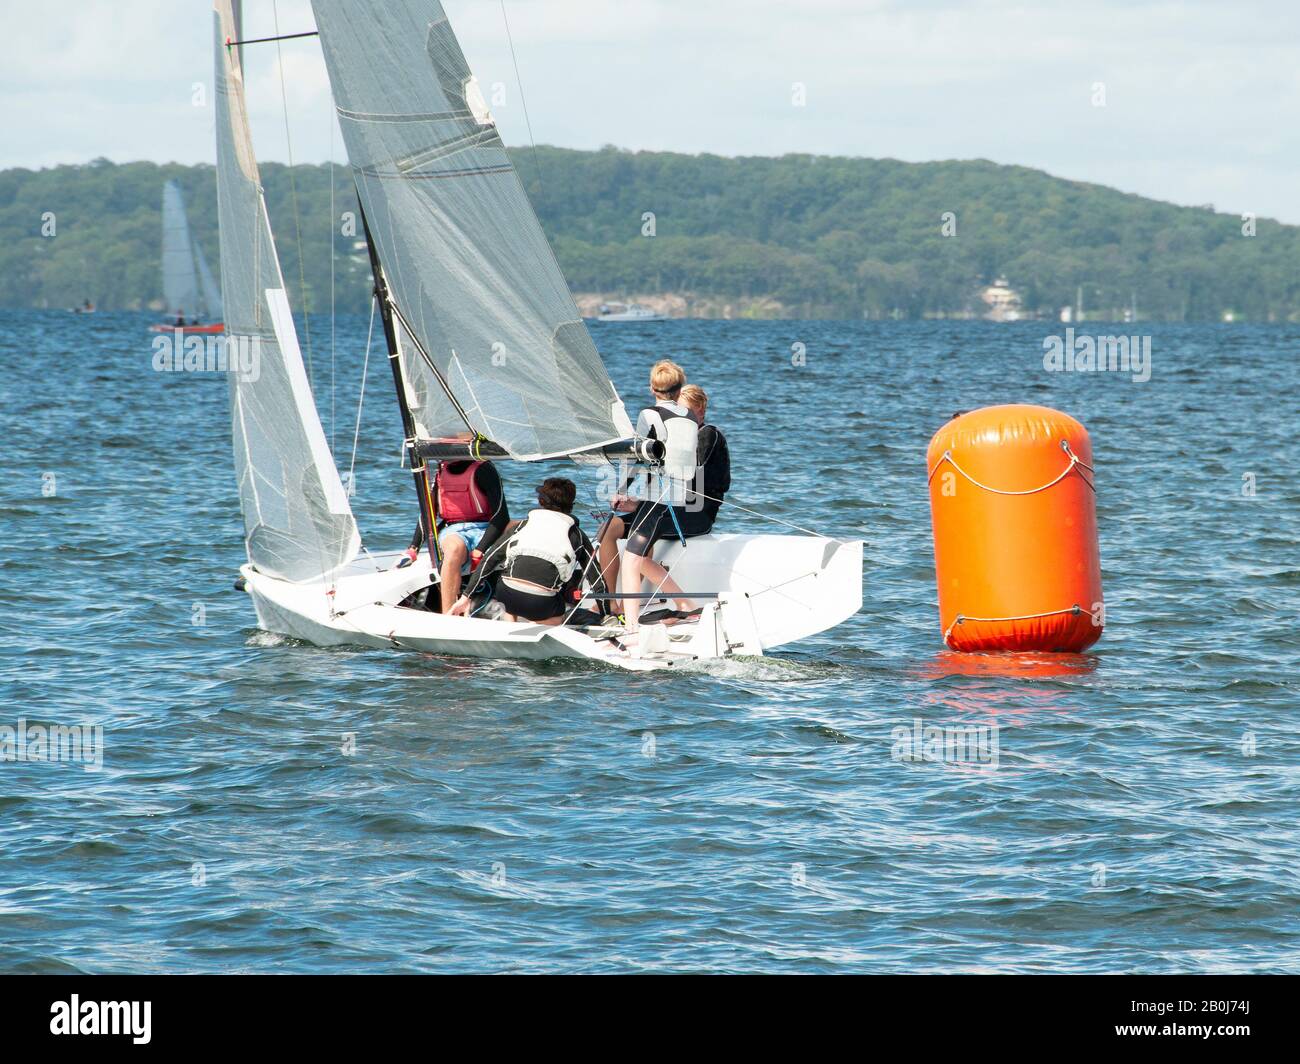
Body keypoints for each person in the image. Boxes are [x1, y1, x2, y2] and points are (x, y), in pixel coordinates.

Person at [607, 360, 699, 636]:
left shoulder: (649, 414)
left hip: (658, 498)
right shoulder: (690, 415)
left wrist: (622, 490)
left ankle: (632, 627)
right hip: (681, 496)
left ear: (652, 388)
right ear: (680, 388)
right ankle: (685, 603)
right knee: (640, 557)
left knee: (632, 558)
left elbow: (638, 455)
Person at [449, 478, 593, 625]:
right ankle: (539, 627)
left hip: (507, 595)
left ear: (541, 502)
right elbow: (596, 577)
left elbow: (490, 559)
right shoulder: (578, 535)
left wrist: (466, 597)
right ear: (571, 506)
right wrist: (608, 612)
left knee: (511, 591)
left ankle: (510, 628)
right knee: (559, 612)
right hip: (541, 603)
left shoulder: (523, 526)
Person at [398, 458, 510, 612]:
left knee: (530, 526)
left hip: (487, 527)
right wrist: (413, 548)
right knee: (454, 550)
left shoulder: (484, 470)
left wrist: (480, 549)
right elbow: (427, 515)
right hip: (454, 529)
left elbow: (501, 516)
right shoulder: (441, 471)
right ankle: (449, 613)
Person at [677, 384, 730, 536]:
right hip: (677, 508)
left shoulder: (708, 434)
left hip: (699, 515)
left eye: (684, 410)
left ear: (700, 409)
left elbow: (693, 471)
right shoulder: (682, 438)